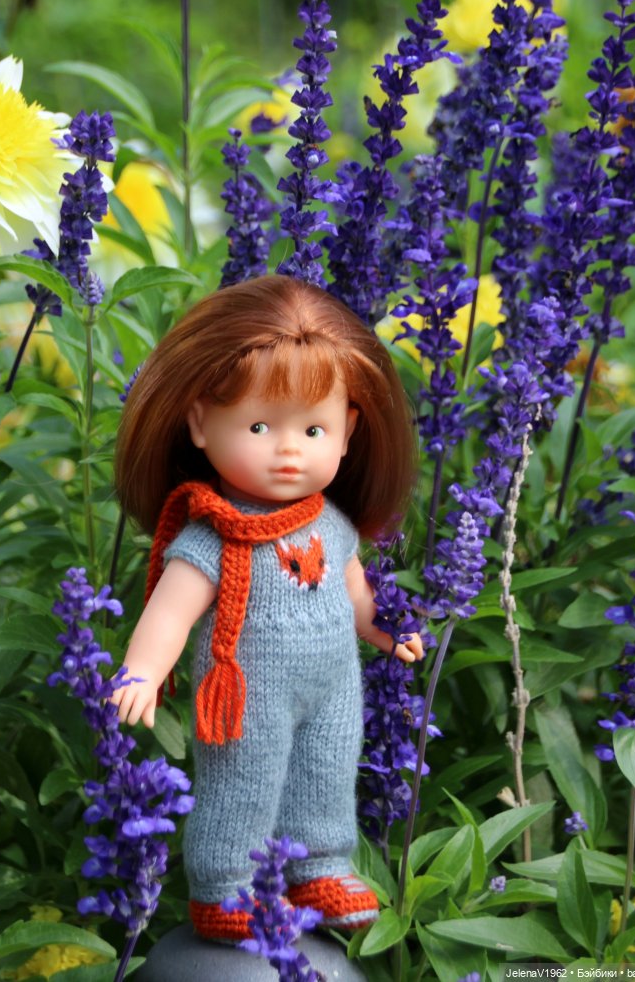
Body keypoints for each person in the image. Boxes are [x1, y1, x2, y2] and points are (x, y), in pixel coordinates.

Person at [113, 274, 423, 942]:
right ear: (200, 423)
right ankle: (225, 882)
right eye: (259, 426)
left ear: (348, 432)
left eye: (314, 429)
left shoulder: (331, 524)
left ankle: (319, 864)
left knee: (327, 771)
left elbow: (354, 591)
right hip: (246, 693)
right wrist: (142, 670)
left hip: (333, 684)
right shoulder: (214, 537)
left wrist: (385, 629)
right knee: (241, 783)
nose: (289, 450)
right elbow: (170, 611)